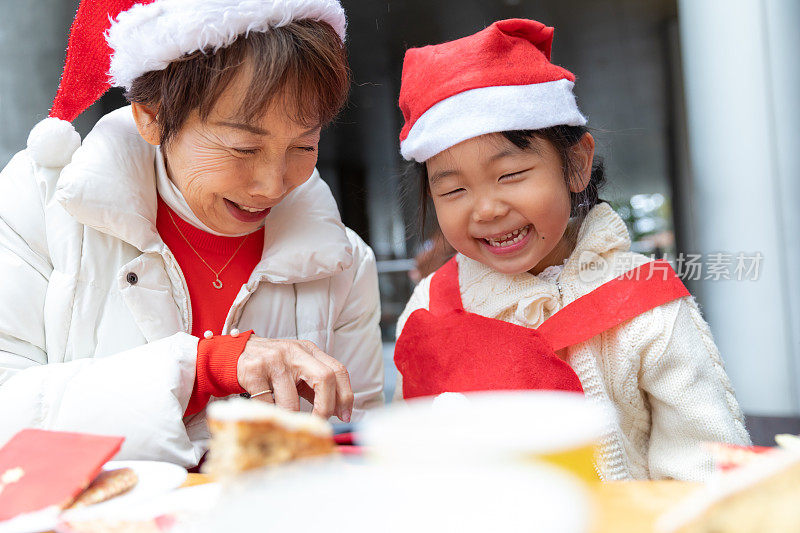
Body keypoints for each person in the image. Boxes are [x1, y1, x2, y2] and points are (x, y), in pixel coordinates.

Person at [0, 0, 384, 467]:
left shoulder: (344, 263)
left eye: (304, 145)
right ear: (152, 117)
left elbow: (360, 447)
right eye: (243, 148)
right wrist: (202, 368)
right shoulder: (40, 209)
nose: (272, 185)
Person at [392, 18, 749, 481]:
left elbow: (705, 467)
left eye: (511, 175)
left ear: (576, 165)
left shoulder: (646, 306)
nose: (485, 209)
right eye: (454, 190)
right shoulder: (430, 307)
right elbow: (411, 454)